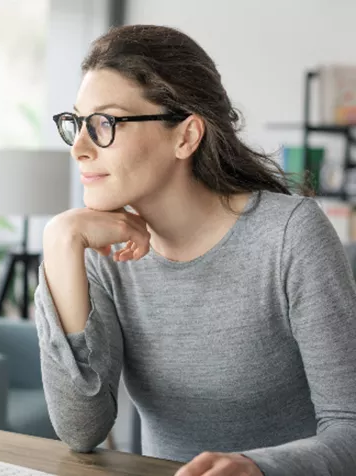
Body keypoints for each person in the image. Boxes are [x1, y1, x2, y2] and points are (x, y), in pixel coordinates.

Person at [34, 24, 356, 476]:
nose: (80, 148)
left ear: (185, 136)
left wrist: (255, 467)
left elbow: (350, 428)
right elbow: (81, 430)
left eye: (104, 123)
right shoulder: (100, 252)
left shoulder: (289, 235)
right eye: (77, 124)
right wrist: (60, 242)